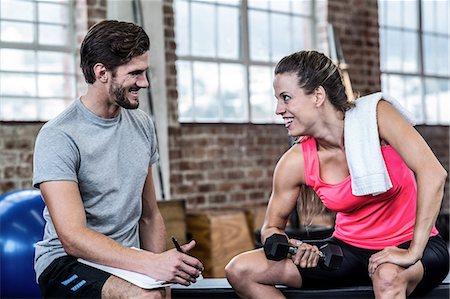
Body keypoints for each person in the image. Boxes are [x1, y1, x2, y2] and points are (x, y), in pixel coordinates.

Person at [225, 50, 449, 299]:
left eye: (286, 98)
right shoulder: (295, 161)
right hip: (347, 252)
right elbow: (271, 228)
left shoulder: (377, 118)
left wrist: (413, 251)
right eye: (278, 99)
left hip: (413, 245)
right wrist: (293, 248)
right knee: (240, 269)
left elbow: (433, 172)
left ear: (318, 95)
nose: (279, 109)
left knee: (387, 275)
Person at [33, 20, 203, 299]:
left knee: (161, 294)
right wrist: (152, 264)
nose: (144, 82)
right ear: (102, 73)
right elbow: (72, 237)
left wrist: (163, 272)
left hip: (127, 260)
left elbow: (149, 215)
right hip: (66, 263)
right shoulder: (58, 136)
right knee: (144, 298)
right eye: (135, 73)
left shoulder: (143, 125)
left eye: (145, 72)